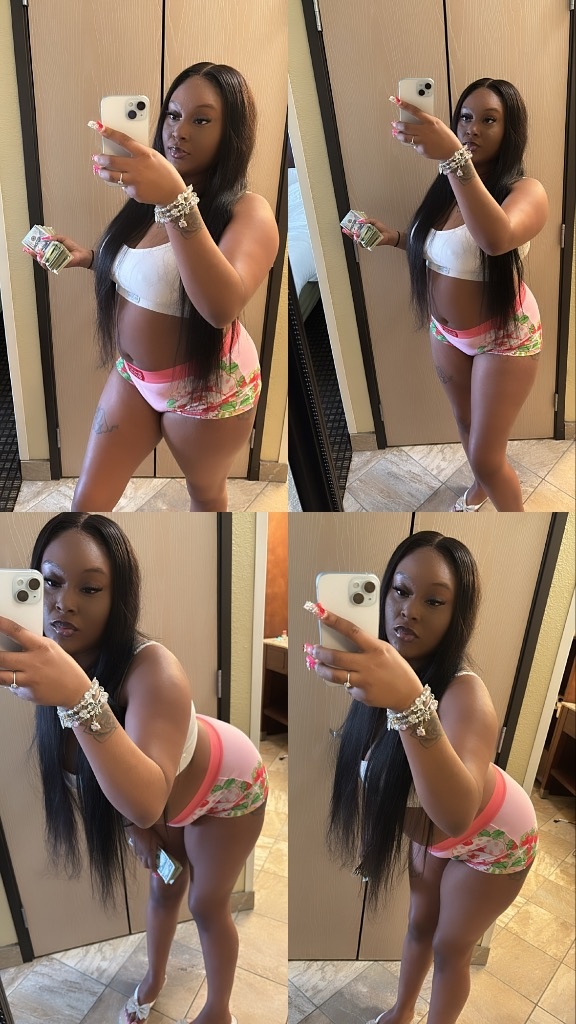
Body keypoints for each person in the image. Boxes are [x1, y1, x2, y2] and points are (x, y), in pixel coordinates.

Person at [0, 513, 268, 1024]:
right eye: (51, 581)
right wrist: (132, 827)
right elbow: (114, 785)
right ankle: (154, 979)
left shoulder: (154, 669)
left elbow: (145, 800)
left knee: (206, 905)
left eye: (90, 588)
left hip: (230, 788)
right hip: (168, 795)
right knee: (165, 886)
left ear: (117, 597)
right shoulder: (57, 663)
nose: (64, 602)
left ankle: (219, 1010)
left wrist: (79, 696)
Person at [303, 531, 538, 1024]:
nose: (409, 610)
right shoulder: (384, 677)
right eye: (401, 591)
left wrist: (410, 703)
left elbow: (455, 814)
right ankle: (401, 1011)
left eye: (434, 601)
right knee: (419, 925)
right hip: (432, 835)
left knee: (451, 947)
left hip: (497, 838)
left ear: (457, 615)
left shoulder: (466, 696)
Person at [28, 63, 279, 512]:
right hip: (134, 377)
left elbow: (221, 306)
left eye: (201, 119)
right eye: (172, 115)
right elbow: (154, 276)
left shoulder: (249, 211)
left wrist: (175, 200)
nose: (178, 131)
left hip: (210, 390)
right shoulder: (147, 196)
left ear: (231, 133)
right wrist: (91, 258)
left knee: (205, 496)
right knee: (86, 505)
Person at [354, 79, 548, 512]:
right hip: (447, 334)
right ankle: (480, 486)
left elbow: (495, 239)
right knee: (464, 421)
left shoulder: (527, 191)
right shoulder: (447, 185)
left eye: (488, 120)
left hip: (504, 337)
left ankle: (509, 514)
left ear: (510, 130)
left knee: (488, 455)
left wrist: (455, 160)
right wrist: (396, 238)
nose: (472, 128)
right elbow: (445, 251)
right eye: (465, 117)